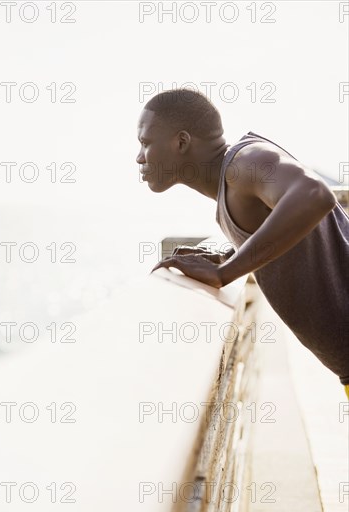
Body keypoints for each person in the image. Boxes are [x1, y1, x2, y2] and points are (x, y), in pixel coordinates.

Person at [137, 89, 349, 395]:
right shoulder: (231, 185)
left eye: (145, 143)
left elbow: (315, 194)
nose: (139, 157)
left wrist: (227, 272)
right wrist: (229, 253)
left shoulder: (243, 161)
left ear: (181, 142)